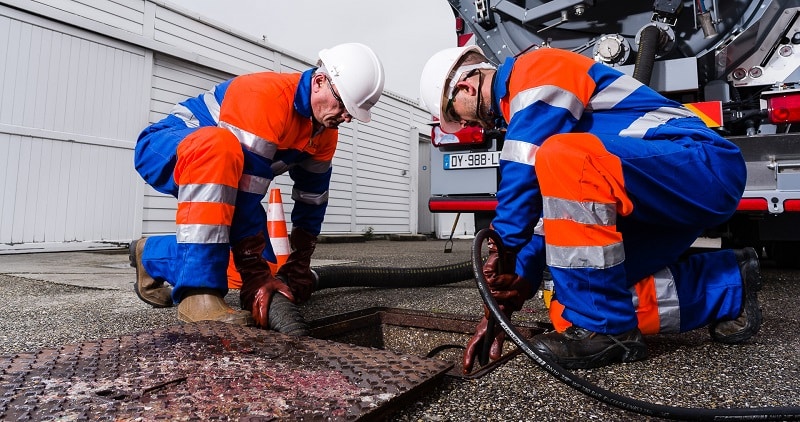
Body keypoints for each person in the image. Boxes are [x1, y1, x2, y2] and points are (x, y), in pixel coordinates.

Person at [419, 45, 762, 371]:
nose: (465, 125)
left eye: (455, 116)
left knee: (562, 155)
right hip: (650, 196)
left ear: (465, 86)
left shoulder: (536, 69)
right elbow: (558, 214)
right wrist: (505, 301)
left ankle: (608, 329)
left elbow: (522, 176)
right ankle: (727, 285)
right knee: (571, 309)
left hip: (702, 166)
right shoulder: (529, 116)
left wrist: (504, 245)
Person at [129, 43, 385, 329]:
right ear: (319, 81)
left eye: (353, 112)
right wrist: (254, 270)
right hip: (167, 146)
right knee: (219, 147)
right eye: (344, 105)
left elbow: (312, 200)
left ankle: (152, 255)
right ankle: (197, 295)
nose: (347, 117)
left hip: (224, 173)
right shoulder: (264, 97)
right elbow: (242, 197)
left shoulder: (324, 131)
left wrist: (299, 262)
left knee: (264, 272)